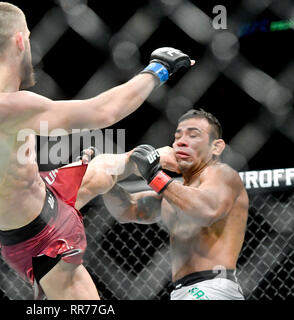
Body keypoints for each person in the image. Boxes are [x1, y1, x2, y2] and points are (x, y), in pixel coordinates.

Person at [0, 2, 193, 300]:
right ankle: (162, 186)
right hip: (41, 240)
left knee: (104, 171)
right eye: (28, 38)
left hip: (44, 196)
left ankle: (142, 162)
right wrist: (158, 68)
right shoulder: (10, 106)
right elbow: (104, 112)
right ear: (19, 41)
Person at [102, 109, 248, 300]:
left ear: (216, 147)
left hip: (213, 288)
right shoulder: (174, 193)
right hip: (182, 291)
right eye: (177, 136)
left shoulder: (224, 176)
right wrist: (103, 179)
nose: (181, 141)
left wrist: (154, 176)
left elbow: (206, 210)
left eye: (193, 135)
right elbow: (127, 209)